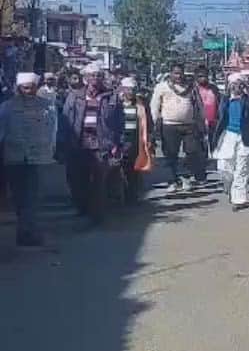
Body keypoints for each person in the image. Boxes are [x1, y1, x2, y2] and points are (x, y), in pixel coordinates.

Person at [60, 63, 124, 226]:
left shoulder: (112, 97)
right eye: (91, 76)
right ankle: (82, 208)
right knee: (77, 180)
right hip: (78, 144)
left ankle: (97, 214)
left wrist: (117, 143)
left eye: (98, 76)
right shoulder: (74, 96)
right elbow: (65, 120)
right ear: (85, 78)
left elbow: (119, 122)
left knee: (99, 181)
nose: (95, 79)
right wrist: (62, 144)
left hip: (101, 145)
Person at [0, 72, 58, 249]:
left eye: (31, 87)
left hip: (38, 158)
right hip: (14, 157)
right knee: (19, 197)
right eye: (25, 88)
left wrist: (52, 149)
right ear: (18, 88)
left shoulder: (48, 106)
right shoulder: (6, 108)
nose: (28, 91)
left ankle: (29, 232)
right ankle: (24, 231)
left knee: (32, 197)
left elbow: (53, 130)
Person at [150, 62, 206, 192]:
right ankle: (173, 180)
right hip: (169, 125)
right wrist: (153, 125)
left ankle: (186, 177)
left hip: (189, 125)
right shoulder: (161, 87)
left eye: (180, 73)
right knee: (171, 154)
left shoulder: (191, 87)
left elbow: (199, 104)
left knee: (192, 152)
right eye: (175, 73)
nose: (178, 76)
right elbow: (154, 106)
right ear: (170, 73)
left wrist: (202, 122)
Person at [214, 73, 249, 210]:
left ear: (243, 86)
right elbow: (219, 119)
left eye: (239, 84)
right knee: (223, 166)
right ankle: (229, 186)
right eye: (234, 84)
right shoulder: (225, 100)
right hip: (228, 136)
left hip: (245, 137)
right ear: (229, 86)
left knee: (242, 168)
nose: (236, 87)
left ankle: (238, 199)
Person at [116, 76, 153, 205]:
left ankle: (132, 195)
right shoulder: (116, 103)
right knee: (118, 169)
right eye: (128, 89)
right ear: (122, 89)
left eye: (133, 89)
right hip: (119, 141)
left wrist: (149, 138)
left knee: (133, 170)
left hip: (135, 141)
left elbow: (148, 122)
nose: (131, 92)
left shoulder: (141, 104)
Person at [192, 65, 223, 155]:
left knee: (213, 143)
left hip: (213, 122)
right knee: (198, 145)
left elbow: (219, 103)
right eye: (200, 76)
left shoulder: (214, 88)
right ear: (196, 77)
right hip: (197, 122)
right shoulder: (192, 89)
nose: (203, 78)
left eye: (205, 76)